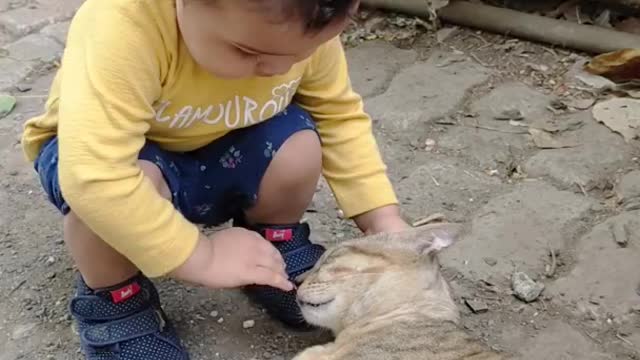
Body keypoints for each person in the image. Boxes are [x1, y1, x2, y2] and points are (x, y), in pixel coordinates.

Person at [21, 0, 410, 358]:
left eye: (300, 55)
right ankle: (115, 296)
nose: (277, 69)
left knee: (300, 142)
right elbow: (94, 174)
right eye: (248, 52)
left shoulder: (302, 16)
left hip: (225, 144)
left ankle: (271, 246)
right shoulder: (123, 24)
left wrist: (382, 219)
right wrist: (200, 256)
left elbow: (337, 116)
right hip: (119, 159)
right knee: (104, 199)